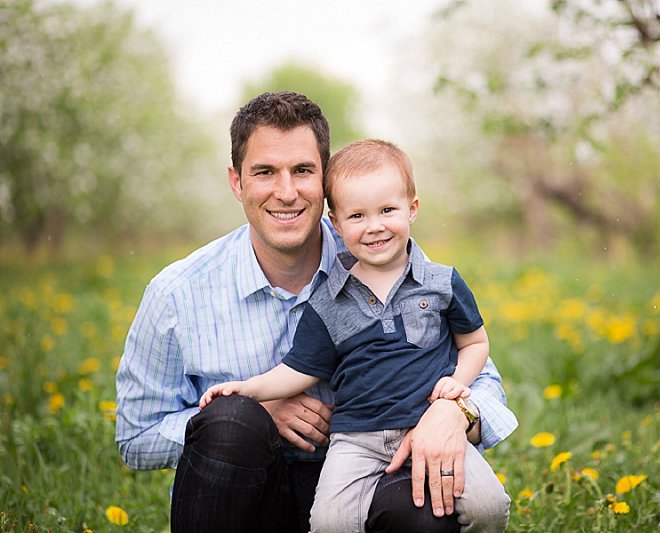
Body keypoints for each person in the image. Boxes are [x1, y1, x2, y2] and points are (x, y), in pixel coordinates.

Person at [115, 91, 518, 532]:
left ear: (324, 180)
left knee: (428, 511)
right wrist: (256, 419)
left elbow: (478, 372)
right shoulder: (177, 294)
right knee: (234, 420)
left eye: (303, 171)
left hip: (369, 479)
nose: (286, 192)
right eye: (265, 172)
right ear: (236, 181)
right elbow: (136, 438)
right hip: (242, 499)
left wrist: (455, 412)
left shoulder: (386, 259)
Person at [200, 139, 513, 532]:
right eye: (358, 216)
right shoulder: (328, 301)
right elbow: (298, 370)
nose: (375, 226)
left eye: (387, 210)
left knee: (490, 505)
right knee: (329, 523)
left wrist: (455, 387)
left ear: (412, 209)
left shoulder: (440, 282)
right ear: (336, 223)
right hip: (355, 440)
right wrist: (247, 390)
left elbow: (475, 343)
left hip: (429, 426)